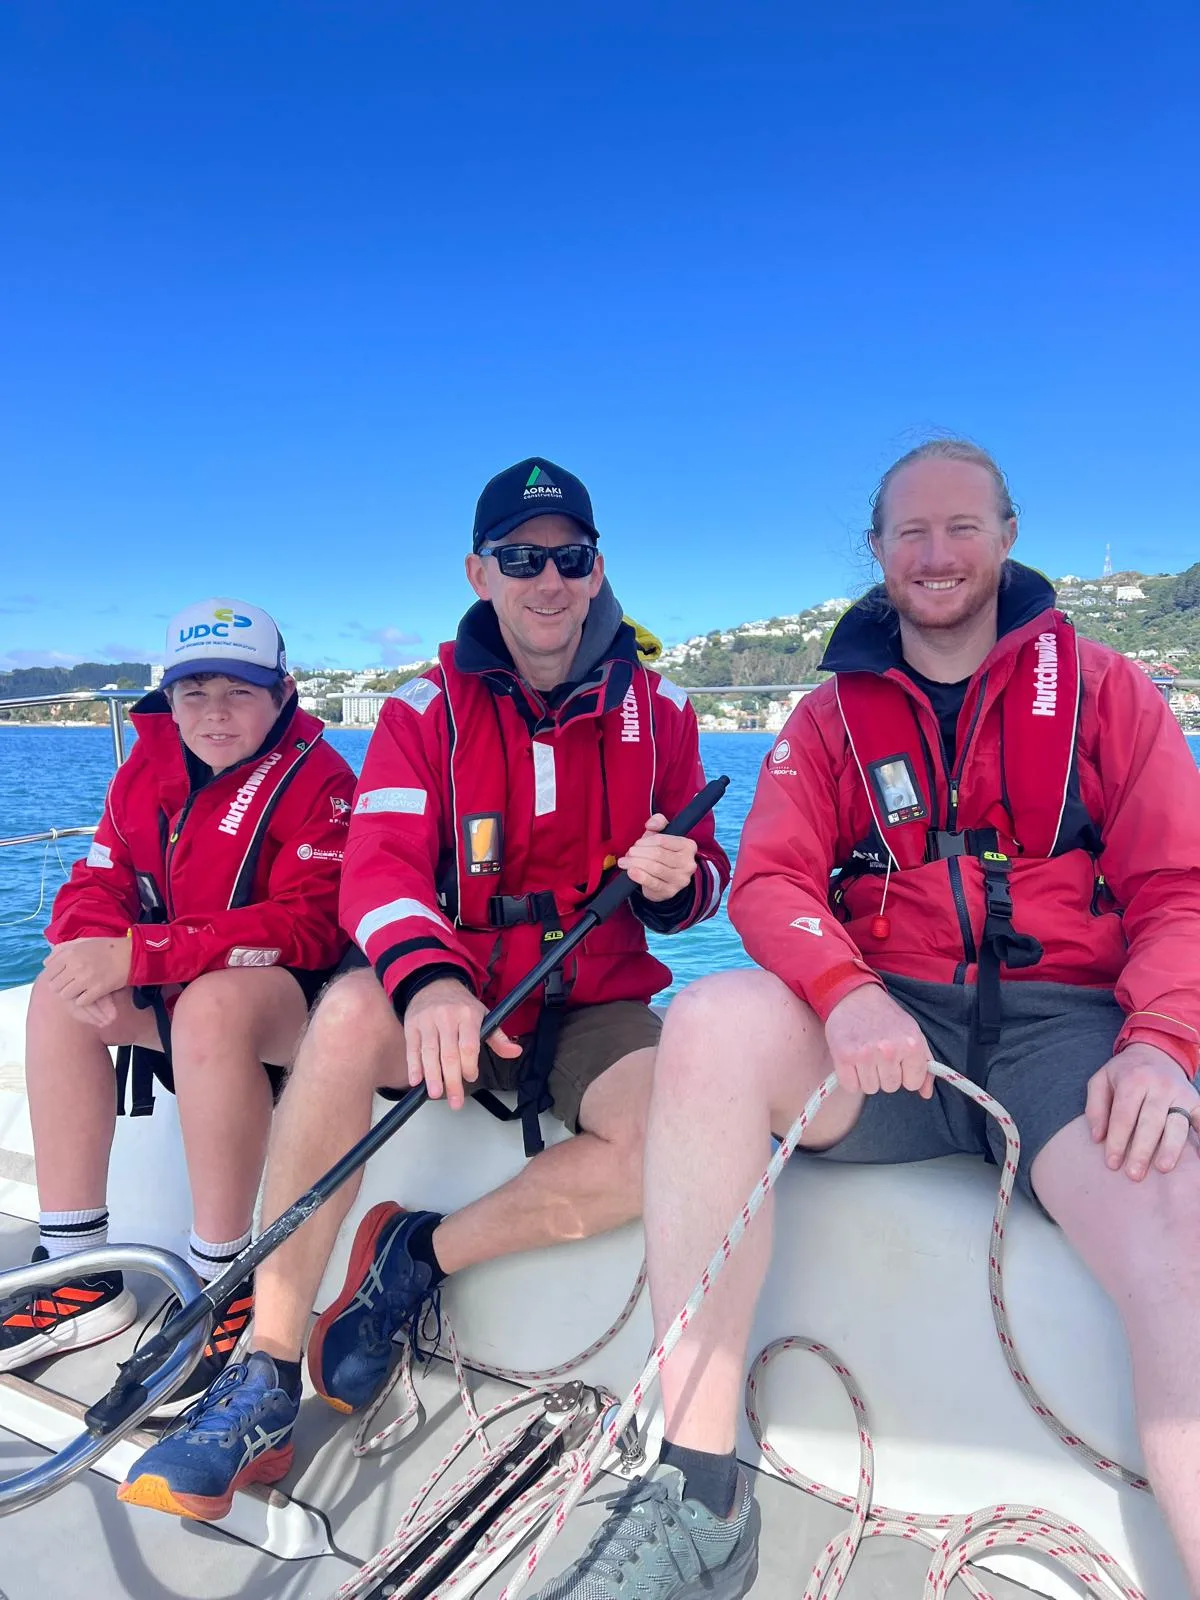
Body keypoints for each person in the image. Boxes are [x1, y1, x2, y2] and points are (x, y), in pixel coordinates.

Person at [531, 439, 1200, 1600]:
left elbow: (1180, 889)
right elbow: (770, 882)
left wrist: (1161, 1045)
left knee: (1173, 1230)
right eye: (911, 532)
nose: (937, 554)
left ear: (1006, 537)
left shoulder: (1108, 693)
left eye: (962, 527)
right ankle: (701, 1490)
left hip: (1069, 1041)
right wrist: (844, 991)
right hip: (888, 1038)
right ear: (879, 550)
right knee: (712, 1021)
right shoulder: (831, 717)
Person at [119, 457, 730, 1521]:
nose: (547, 579)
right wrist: (436, 977)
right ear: (479, 572)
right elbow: (379, 870)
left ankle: (418, 1254)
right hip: (460, 986)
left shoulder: (665, 711)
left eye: (569, 558)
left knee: (673, 1140)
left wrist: (681, 883)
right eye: (519, 559)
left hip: (593, 1000)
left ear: (597, 570)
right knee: (352, 1010)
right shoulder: (422, 708)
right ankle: (265, 1370)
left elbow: (708, 871)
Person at [3, 599, 355, 1415]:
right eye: (194, 693)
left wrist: (144, 953)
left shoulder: (323, 780)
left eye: (239, 693)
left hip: (291, 1001)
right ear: (168, 698)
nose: (214, 714)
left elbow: (308, 926)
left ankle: (221, 1279)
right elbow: (98, 881)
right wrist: (94, 951)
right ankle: (79, 1272)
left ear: (284, 694)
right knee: (59, 993)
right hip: (181, 976)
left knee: (211, 1008)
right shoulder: (145, 770)